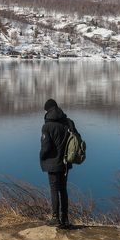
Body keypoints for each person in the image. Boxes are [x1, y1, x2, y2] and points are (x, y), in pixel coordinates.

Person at [39, 98, 78, 229]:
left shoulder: (47, 126)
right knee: (63, 189)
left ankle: (55, 218)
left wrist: (41, 157)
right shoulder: (69, 122)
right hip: (66, 162)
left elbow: (46, 147)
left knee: (54, 189)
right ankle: (65, 219)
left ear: (47, 111)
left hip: (53, 163)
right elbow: (77, 139)